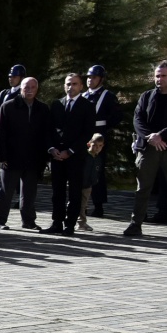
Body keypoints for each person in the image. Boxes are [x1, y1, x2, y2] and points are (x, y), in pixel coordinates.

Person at [124, 62, 167, 239]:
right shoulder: (147, 96)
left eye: (163, 76)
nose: (159, 79)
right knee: (143, 188)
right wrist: (151, 138)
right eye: (157, 76)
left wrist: (161, 135)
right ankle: (135, 224)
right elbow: (138, 120)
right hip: (149, 148)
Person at [0, 76, 50, 230]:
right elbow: (0, 133)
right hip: (11, 157)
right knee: (5, 191)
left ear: (37, 89)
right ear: (21, 89)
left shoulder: (43, 109)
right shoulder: (8, 106)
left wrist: (45, 157)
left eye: (33, 87)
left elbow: (46, 134)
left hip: (33, 158)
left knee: (29, 192)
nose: (29, 90)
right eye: (26, 87)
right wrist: (1, 156)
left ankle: (29, 221)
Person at [47, 73, 93, 236]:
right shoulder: (57, 104)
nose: (70, 87)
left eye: (74, 84)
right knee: (57, 191)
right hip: (57, 155)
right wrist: (52, 148)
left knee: (74, 192)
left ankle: (70, 224)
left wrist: (71, 151)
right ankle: (56, 222)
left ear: (81, 86)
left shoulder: (87, 105)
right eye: (68, 84)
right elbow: (50, 129)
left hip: (75, 156)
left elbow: (87, 132)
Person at [83, 65, 119, 217]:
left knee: (97, 171)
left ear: (101, 79)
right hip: (84, 136)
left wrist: (104, 128)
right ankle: (81, 204)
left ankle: (98, 206)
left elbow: (117, 116)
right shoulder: (83, 96)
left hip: (98, 137)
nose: (90, 80)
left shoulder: (108, 96)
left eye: (94, 77)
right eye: (89, 77)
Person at [81, 134, 105, 233]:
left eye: (100, 146)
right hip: (79, 183)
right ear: (89, 144)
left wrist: (95, 180)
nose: (97, 148)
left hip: (89, 184)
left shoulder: (98, 158)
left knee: (84, 204)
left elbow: (97, 171)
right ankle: (79, 221)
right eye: (94, 145)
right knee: (77, 203)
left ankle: (81, 222)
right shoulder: (85, 156)